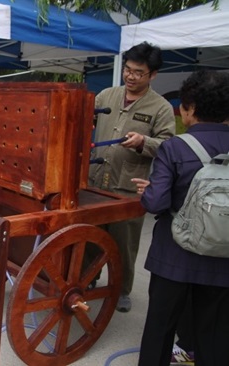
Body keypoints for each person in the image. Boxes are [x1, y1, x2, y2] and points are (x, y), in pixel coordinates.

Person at [133, 69, 229, 366]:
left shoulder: (175, 147)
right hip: (224, 254)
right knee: (214, 331)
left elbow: (156, 202)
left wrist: (148, 192)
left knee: (160, 327)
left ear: (190, 110)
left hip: (175, 254)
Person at [88, 41, 175, 312]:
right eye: (128, 70)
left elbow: (168, 145)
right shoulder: (106, 95)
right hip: (95, 180)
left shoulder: (160, 108)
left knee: (123, 242)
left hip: (128, 186)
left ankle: (121, 290)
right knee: (90, 235)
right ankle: (89, 280)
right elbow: (84, 119)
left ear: (153, 75)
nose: (131, 76)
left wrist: (143, 141)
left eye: (138, 72)